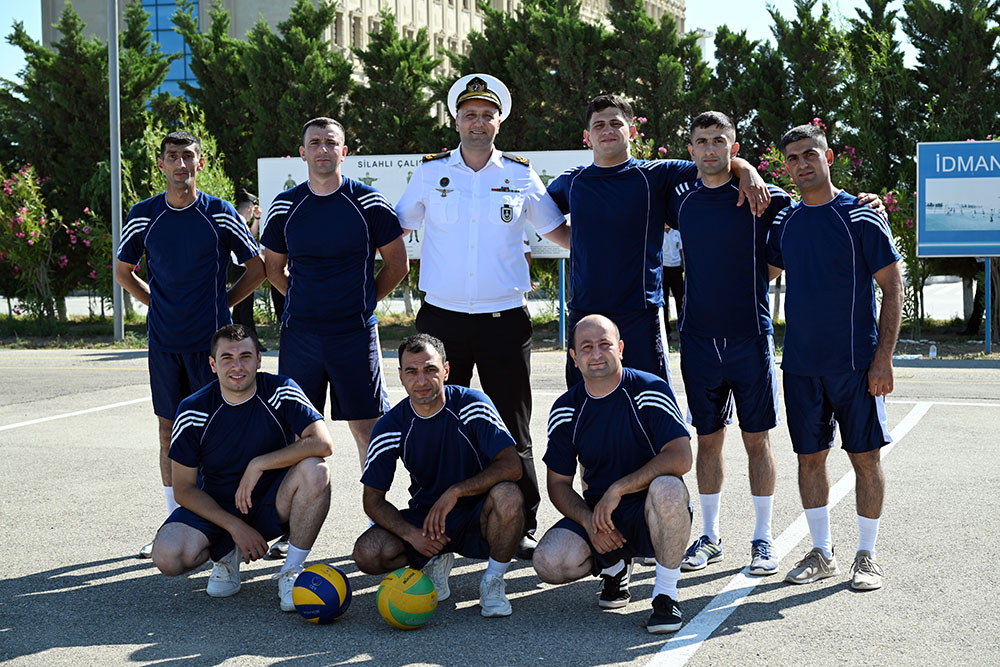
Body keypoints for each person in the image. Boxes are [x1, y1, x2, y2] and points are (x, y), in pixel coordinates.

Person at [395, 73, 567, 560]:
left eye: (487, 114)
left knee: (513, 423)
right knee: (438, 421)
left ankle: (523, 521)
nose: (478, 122)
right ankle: (437, 520)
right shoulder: (430, 173)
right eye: (469, 114)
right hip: (441, 322)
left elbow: (558, 232)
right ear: (456, 121)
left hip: (503, 321)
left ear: (499, 122)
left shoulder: (520, 175)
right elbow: (394, 226)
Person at [546, 94, 771, 389]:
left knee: (652, 398)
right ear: (587, 136)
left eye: (616, 123)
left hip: (641, 312)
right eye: (599, 125)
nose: (607, 130)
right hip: (585, 311)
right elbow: (542, 216)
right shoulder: (573, 182)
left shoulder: (657, 175)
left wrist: (747, 169)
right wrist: (578, 243)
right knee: (587, 399)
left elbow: (712, 162)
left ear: (632, 131)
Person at [115, 130, 265, 558]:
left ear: (200, 162)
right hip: (165, 345)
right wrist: (157, 304)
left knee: (221, 432)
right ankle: (174, 521)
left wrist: (224, 303)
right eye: (172, 156)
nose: (180, 164)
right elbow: (123, 272)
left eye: (188, 156)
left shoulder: (219, 212)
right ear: (161, 163)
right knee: (169, 432)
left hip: (213, 349)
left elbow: (256, 268)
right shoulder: (144, 214)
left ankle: (235, 524)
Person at [766, 123, 903, 591]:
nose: (802, 164)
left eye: (810, 154)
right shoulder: (785, 221)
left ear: (827, 157)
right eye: (792, 158)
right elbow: (758, 272)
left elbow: (892, 287)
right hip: (801, 367)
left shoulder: (861, 215)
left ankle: (867, 556)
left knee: (865, 458)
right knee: (809, 459)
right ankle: (822, 552)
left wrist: (883, 358)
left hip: (856, 365)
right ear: (785, 166)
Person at [667, 111, 793, 576]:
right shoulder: (680, 197)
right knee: (708, 440)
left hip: (750, 336)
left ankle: (762, 538)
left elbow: (814, 205)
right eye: (702, 141)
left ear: (733, 148)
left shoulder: (762, 196)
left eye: (719, 141)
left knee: (757, 439)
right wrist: (747, 168)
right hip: (698, 338)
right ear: (691, 150)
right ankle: (711, 535)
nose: (710, 149)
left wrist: (749, 172)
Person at [150, 324, 334, 611]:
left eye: (245, 356)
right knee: (167, 556)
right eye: (227, 358)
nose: (237, 366)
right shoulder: (193, 409)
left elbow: (323, 443)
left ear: (259, 360)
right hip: (218, 507)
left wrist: (258, 464)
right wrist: (235, 527)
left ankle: (291, 571)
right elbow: (183, 489)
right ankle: (226, 554)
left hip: (272, 502)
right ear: (213, 364)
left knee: (316, 470)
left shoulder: (281, 390)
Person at [261, 117, 408, 473]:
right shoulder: (285, 205)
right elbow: (273, 269)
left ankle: (376, 506)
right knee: (298, 432)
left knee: (368, 428)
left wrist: (362, 301)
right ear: (302, 153)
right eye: (315, 143)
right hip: (301, 335)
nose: (323, 149)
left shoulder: (369, 202)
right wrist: (303, 299)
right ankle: (299, 507)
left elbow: (397, 265)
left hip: (354, 334)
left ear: (344, 152)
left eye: (330, 143)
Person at [532, 315, 693, 634]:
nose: (596, 354)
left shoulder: (649, 388)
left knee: (668, 488)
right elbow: (558, 484)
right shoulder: (566, 408)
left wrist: (618, 488)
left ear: (619, 348)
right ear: (574, 358)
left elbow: (681, 457)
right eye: (586, 347)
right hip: (601, 515)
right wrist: (589, 523)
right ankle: (615, 567)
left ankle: (665, 595)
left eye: (604, 344)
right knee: (549, 562)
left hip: (651, 509)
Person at [352, 334, 525, 618]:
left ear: (446, 370)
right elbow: (373, 500)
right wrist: (413, 536)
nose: (421, 380)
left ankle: (493, 580)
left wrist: (456, 491)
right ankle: (433, 558)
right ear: (401, 376)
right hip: (428, 519)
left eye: (430, 369)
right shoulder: (390, 426)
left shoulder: (471, 404)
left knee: (508, 495)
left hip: (477, 514)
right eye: (412, 371)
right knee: (367, 553)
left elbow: (511, 466)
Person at [229, 188, 262, 344]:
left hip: (238, 269)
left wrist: (256, 219)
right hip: (244, 269)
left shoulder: (237, 221)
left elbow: (251, 236)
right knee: (245, 309)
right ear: (249, 208)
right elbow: (252, 240)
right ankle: (251, 340)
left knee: (239, 309)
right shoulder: (240, 221)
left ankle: (235, 338)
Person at [661, 228, 683, 343]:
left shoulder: (677, 233)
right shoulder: (659, 232)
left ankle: (682, 328)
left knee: (680, 300)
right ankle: (666, 331)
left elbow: (681, 251)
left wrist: (684, 268)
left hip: (676, 269)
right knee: (664, 302)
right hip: (663, 269)